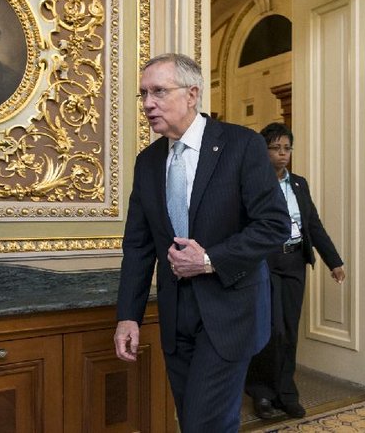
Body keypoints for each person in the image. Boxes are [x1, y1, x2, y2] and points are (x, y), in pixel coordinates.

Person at [114, 53, 291, 433]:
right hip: (177, 316)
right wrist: (128, 315)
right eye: (143, 93)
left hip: (230, 312)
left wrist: (210, 259)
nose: (147, 103)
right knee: (191, 418)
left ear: (192, 94)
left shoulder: (241, 145)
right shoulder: (147, 162)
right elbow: (139, 246)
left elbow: (275, 224)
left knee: (204, 425)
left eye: (159, 91)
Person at [246, 122, 346, 420]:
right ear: (264, 151)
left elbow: (313, 224)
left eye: (286, 148)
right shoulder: (252, 182)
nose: (282, 154)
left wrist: (334, 262)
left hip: (293, 261)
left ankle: (285, 393)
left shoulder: (299, 184)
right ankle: (261, 392)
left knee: (289, 330)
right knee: (270, 329)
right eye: (276, 148)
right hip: (265, 262)